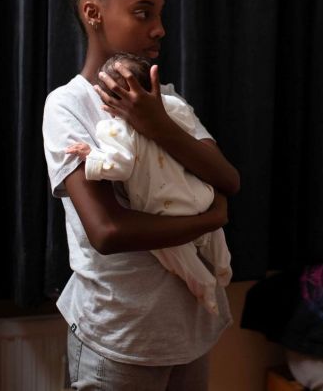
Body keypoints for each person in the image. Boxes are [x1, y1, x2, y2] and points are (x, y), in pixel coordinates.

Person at [42, 0, 240, 389]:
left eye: (160, 14)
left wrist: (157, 124)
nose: (159, 28)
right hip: (118, 340)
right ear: (93, 13)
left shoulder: (166, 101)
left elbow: (228, 180)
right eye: (143, 12)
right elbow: (108, 232)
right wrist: (209, 220)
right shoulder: (68, 105)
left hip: (189, 334)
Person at [65, 53, 233, 316]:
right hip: (200, 196)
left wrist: (91, 156)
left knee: (176, 256)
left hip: (164, 210)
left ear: (107, 101)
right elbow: (191, 131)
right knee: (215, 237)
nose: (159, 33)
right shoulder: (173, 106)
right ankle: (223, 265)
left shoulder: (114, 130)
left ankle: (205, 286)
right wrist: (212, 219)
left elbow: (120, 167)